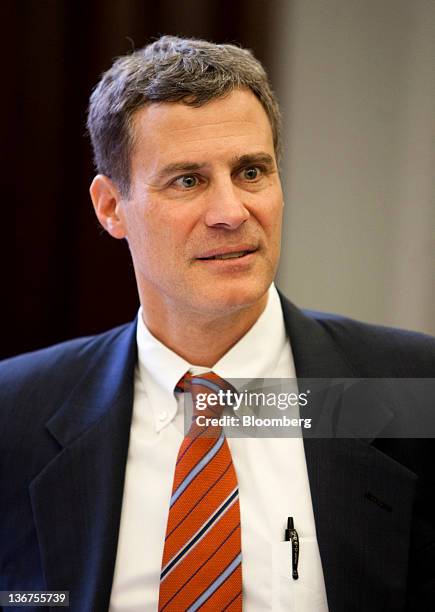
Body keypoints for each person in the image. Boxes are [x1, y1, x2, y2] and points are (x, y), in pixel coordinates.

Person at [1, 35, 434, 612]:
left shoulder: (410, 390)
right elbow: (26, 597)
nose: (232, 213)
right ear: (110, 208)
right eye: (187, 180)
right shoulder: (16, 413)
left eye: (251, 171)